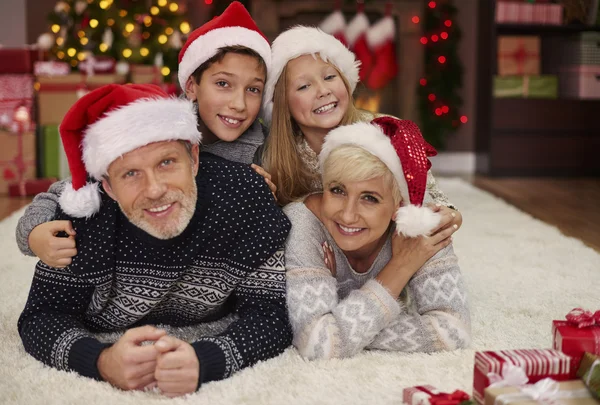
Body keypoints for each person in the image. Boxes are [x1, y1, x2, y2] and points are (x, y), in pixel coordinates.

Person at [18, 84, 292, 396]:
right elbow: (41, 317)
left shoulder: (245, 196)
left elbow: (271, 313)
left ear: (194, 158)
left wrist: (208, 359)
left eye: (166, 163)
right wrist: (100, 361)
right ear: (107, 186)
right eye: (130, 174)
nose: (154, 190)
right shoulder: (83, 216)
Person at [15, 1, 276, 268]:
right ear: (191, 86)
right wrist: (35, 234)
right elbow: (65, 191)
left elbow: (280, 220)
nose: (239, 104)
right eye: (223, 84)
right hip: (139, 263)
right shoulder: (155, 131)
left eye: (253, 89)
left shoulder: (264, 148)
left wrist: (266, 196)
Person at [283, 116, 471, 359]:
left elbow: (454, 331)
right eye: (337, 190)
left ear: (400, 205)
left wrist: (339, 325)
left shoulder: (419, 223)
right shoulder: (302, 223)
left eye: (369, 198)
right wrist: (400, 267)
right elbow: (319, 345)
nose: (348, 215)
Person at [261, 25, 461, 228]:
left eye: (330, 77)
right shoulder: (276, 155)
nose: (323, 91)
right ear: (283, 104)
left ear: (346, 81)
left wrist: (448, 216)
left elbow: (438, 204)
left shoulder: (388, 131)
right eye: (304, 86)